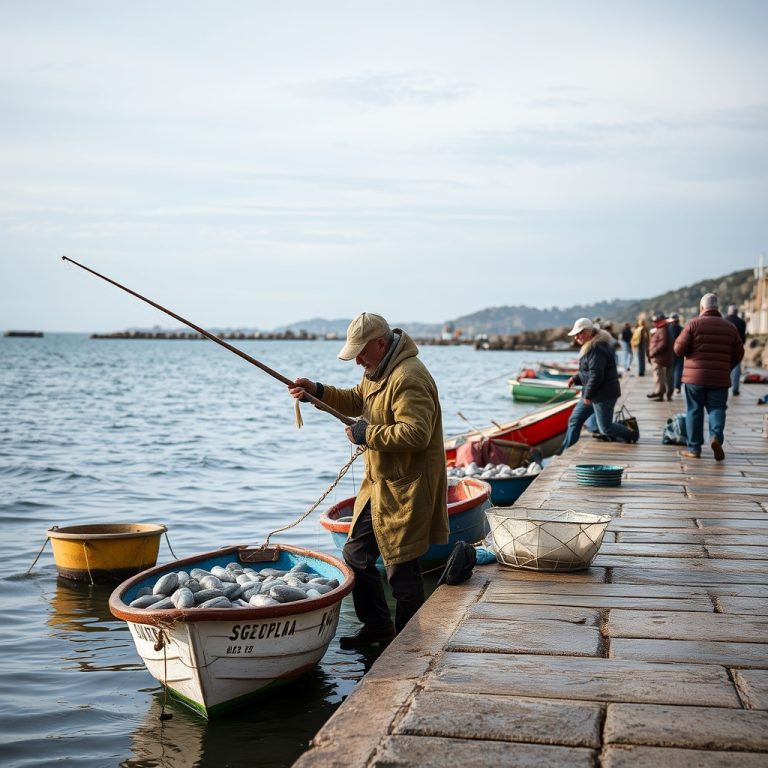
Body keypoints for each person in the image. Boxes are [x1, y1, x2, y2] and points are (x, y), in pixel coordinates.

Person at [288, 312, 448, 648]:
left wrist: (366, 433)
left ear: (381, 344)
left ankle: (410, 645)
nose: (358, 361)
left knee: (401, 569)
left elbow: (416, 434)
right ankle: (378, 628)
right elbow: (356, 400)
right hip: (378, 484)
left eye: (361, 353)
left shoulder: (408, 377)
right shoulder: (377, 371)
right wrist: (316, 392)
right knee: (356, 554)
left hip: (407, 487)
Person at [673, 293, 744, 461]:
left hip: (695, 378)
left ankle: (694, 448)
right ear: (717, 308)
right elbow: (739, 353)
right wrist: (726, 367)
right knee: (717, 408)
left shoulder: (693, 324)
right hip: (719, 378)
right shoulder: (730, 327)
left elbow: (678, 350)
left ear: (701, 307)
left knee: (694, 410)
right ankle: (715, 437)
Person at [559, 317, 639, 450]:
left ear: (589, 331)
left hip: (604, 395)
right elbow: (588, 371)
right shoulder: (589, 346)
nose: (576, 337)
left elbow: (596, 375)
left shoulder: (596, 348)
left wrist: (588, 396)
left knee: (606, 429)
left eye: (579, 333)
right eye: (575, 334)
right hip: (592, 393)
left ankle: (632, 434)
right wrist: (575, 379)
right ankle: (565, 449)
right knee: (574, 420)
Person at [647, 311, 674, 401]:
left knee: (659, 377)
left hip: (660, 358)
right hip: (663, 357)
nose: (653, 323)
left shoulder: (662, 329)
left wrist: (653, 352)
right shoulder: (665, 328)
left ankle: (659, 392)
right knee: (662, 377)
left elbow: (663, 343)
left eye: (655, 321)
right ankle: (661, 394)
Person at [724, 305, 747, 396]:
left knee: (725, 368)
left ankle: (725, 387)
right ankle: (735, 389)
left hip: (726, 347)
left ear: (729, 311)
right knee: (737, 369)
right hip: (738, 347)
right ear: (737, 312)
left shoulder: (724, 320)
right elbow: (743, 336)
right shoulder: (742, 322)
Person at [667, 312, 684, 393]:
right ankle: (677, 386)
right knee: (679, 368)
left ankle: (670, 385)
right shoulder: (681, 329)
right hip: (679, 351)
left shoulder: (668, 329)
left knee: (671, 369)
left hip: (670, 351)